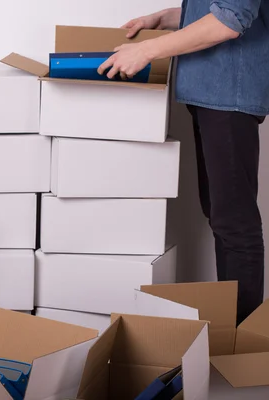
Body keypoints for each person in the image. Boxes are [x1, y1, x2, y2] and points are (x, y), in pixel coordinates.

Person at [99, 2, 268, 324]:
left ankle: (242, 341)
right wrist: (164, 17)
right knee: (222, 217)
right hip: (210, 92)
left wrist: (148, 50)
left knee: (235, 222)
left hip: (228, 94)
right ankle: (231, 329)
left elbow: (230, 20)